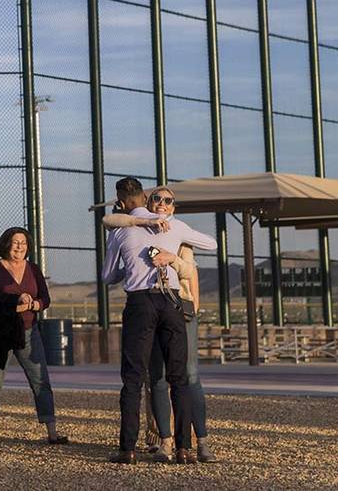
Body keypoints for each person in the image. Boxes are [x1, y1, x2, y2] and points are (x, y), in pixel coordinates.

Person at [102, 177, 216, 464]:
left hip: (140, 302)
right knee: (179, 377)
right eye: (159, 199)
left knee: (133, 377)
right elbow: (211, 244)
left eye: (167, 201)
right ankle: (183, 448)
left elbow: (107, 277)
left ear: (123, 200)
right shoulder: (176, 226)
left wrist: (129, 267)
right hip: (171, 301)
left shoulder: (119, 230)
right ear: (145, 197)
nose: (162, 204)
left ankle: (127, 449)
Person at [0, 227, 68, 445]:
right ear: (6, 244)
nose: (19, 247)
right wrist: (18, 302)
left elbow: (45, 298)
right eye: (15, 242)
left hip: (28, 332)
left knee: (41, 381)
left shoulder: (33, 269)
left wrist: (35, 304)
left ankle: (52, 431)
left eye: (23, 243)